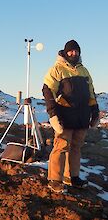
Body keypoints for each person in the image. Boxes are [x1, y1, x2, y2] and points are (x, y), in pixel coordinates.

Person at [42, 39, 100, 193]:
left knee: (76, 148)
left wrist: (95, 112)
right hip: (65, 116)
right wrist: (53, 115)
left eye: (76, 51)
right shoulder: (57, 69)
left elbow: (91, 92)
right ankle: (54, 180)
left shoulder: (84, 71)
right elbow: (47, 90)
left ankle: (72, 177)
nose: (73, 53)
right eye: (71, 51)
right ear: (65, 52)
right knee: (61, 146)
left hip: (81, 116)